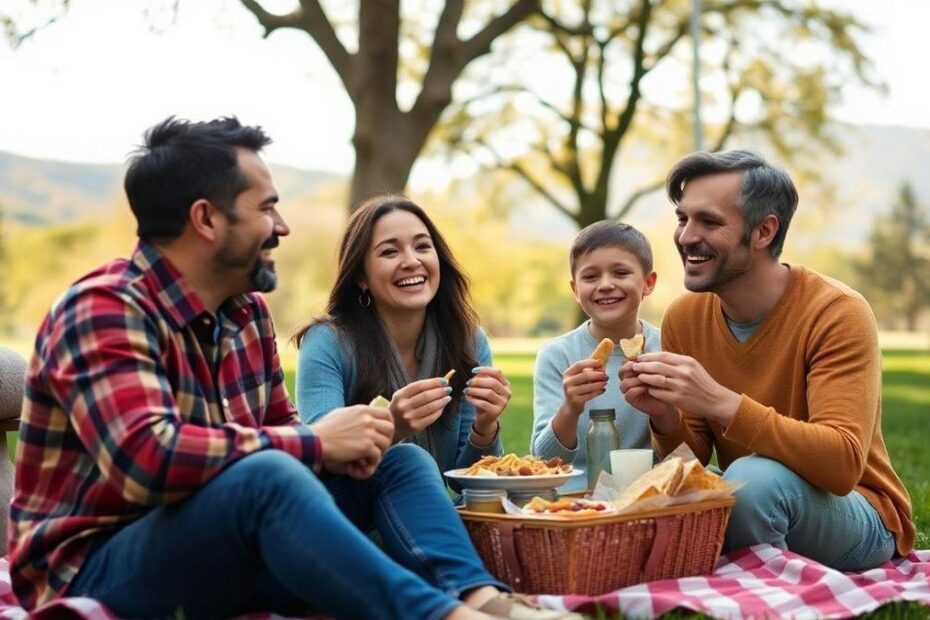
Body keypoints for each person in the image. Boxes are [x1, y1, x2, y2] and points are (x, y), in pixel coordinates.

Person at [9, 116, 579, 620]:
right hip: (98, 568)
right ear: (207, 219)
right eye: (266, 207)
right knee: (269, 473)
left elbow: (284, 437)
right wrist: (314, 444)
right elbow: (149, 461)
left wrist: (357, 444)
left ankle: (484, 600)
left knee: (398, 461)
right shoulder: (104, 310)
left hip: (226, 549)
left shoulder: (246, 313)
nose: (282, 226)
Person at [620, 149, 915, 570]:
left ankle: (765, 596)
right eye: (682, 219)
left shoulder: (836, 312)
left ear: (763, 231)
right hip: (760, 497)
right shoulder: (685, 316)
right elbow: (694, 461)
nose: (685, 237)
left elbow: (842, 465)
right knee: (694, 492)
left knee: (754, 482)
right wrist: (666, 416)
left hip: (860, 514)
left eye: (709, 221)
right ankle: (745, 577)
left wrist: (721, 402)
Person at [295, 195, 510, 476]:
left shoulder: (468, 340)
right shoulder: (327, 343)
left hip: (422, 505)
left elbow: (464, 479)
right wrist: (392, 426)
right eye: (389, 252)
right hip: (346, 508)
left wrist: (485, 426)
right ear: (361, 277)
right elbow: (321, 458)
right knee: (410, 458)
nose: (411, 261)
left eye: (422, 246)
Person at [531, 221, 659, 492]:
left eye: (621, 272)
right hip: (575, 496)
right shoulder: (557, 356)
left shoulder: (666, 347)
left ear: (648, 283)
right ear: (575, 290)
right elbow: (543, 462)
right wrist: (570, 407)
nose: (605, 285)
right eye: (590, 277)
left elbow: (686, 450)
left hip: (650, 494)